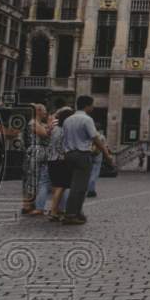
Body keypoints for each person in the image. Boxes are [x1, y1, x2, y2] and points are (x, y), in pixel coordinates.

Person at [61, 95, 113, 225]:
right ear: (87, 106)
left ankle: (77, 212)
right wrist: (106, 154)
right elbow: (96, 138)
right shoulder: (86, 119)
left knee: (75, 184)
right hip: (82, 154)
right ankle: (71, 214)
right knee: (79, 186)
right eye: (92, 105)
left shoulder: (68, 119)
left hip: (69, 154)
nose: (93, 107)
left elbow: (64, 138)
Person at [21, 103, 52, 216]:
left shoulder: (39, 123)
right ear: (38, 111)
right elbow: (44, 134)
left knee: (37, 178)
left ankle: (32, 204)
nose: (45, 113)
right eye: (44, 110)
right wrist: (49, 125)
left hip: (40, 153)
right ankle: (27, 205)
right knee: (31, 178)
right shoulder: (33, 122)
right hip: (34, 153)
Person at [46, 107, 74, 222]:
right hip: (61, 160)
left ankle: (56, 210)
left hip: (51, 159)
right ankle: (53, 211)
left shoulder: (54, 128)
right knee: (61, 187)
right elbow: (62, 147)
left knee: (55, 186)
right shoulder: (65, 130)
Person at [86, 125, 105, 198]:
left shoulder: (89, 135)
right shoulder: (101, 136)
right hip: (98, 155)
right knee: (95, 173)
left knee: (89, 173)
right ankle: (91, 190)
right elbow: (103, 146)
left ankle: (89, 189)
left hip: (89, 154)